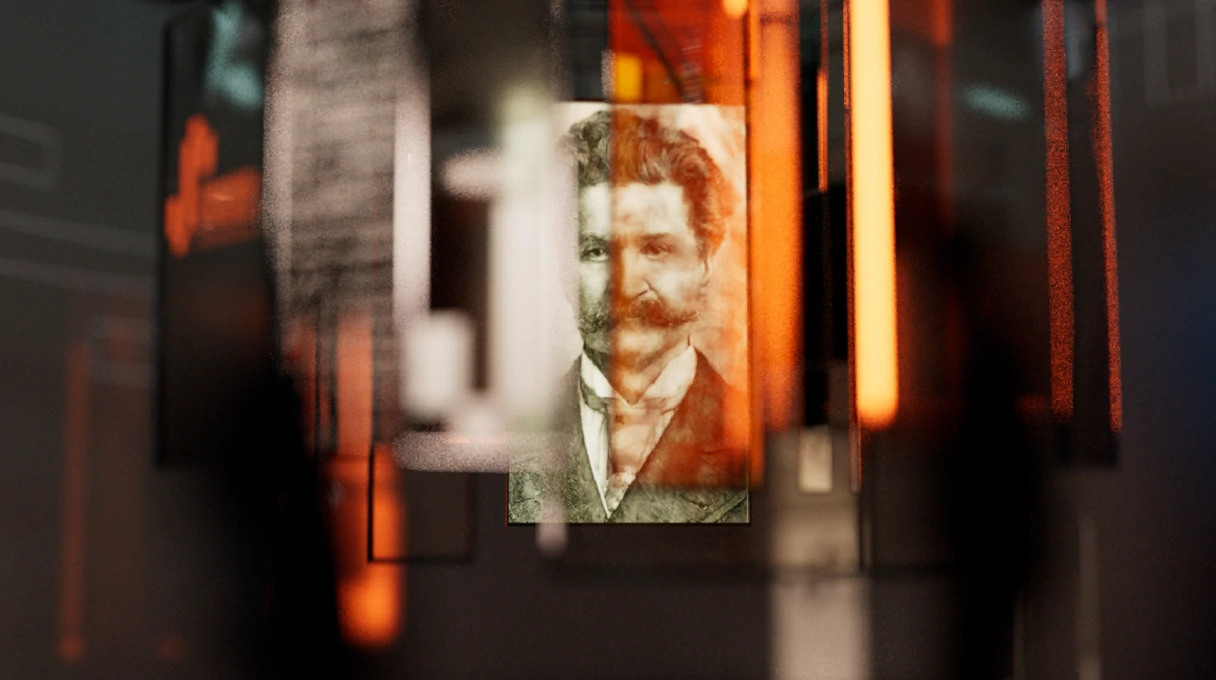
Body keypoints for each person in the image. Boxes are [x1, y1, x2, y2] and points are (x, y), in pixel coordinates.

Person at [509, 109, 748, 523]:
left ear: (705, 261)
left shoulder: (755, 442)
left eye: (655, 249)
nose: (625, 283)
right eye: (596, 251)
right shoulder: (509, 436)